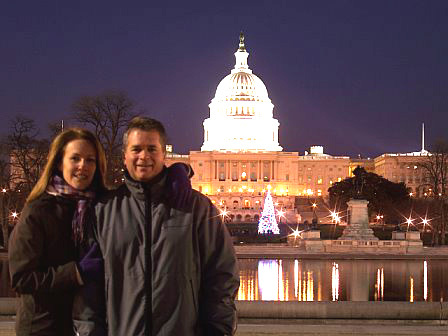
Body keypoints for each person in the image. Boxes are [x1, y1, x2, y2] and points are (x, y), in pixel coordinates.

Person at [8, 128, 191, 336]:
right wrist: (76, 273)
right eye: (75, 158)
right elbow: (21, 279)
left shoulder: (102, 203)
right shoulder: (39, 210)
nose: (82, 166)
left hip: (94, 326)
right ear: (60, 162)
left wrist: (178, 171)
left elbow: (143, 196)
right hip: (46, 327)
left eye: (90, 160)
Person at [94, 116, 240, 336]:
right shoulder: (104, 210)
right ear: (125, 156)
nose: (144, 156)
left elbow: (222, 277)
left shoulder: (197, 207)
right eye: (136, 149)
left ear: (164, 155)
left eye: (152, 149)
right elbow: (89, 289)